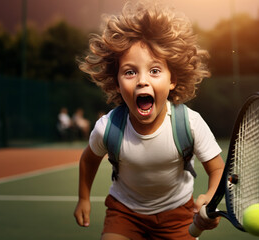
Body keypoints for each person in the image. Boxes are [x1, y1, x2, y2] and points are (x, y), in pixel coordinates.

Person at [74, 1, 225, 239]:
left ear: (172, 79)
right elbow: (88, 161)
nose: (142, 80)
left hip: (178, 214)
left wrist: (210, 197)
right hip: (125, 212)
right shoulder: (108, 128)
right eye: (130, 72)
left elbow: (217, 168)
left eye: (154, 70)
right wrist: (83, 198)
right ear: (117, 83)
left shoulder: (190, 123)